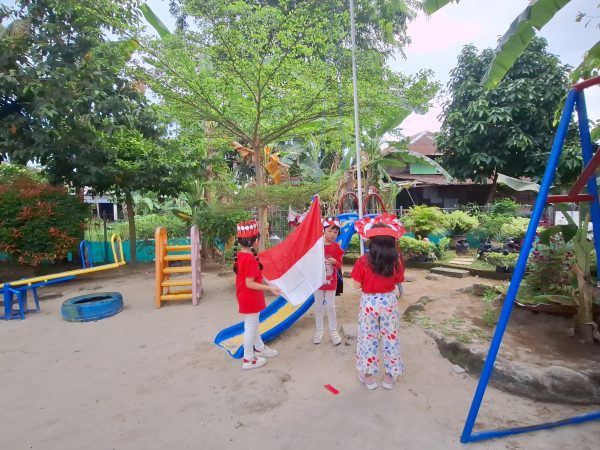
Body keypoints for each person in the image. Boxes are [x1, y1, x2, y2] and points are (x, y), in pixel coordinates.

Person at [351, 214, 406, 390]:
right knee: (391, 337)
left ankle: (368, 377)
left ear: (372, 242)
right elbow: (398, 280)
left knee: (368, 338)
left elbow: (356, 285)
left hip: (369, 302)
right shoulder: (396, 262)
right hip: (389, 301)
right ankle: (390, 376)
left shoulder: (363, 261)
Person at [233, 219, 282, 370]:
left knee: (252, 325)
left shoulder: (241, 255)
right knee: (250, 327)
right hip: (250, 296)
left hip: (247, 295)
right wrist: (270, 288)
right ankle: (248, 359)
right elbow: (250, 283)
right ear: (254, 241)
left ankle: (259, 348)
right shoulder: (249, 259)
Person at [313, 217, 345, 346]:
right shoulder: (316, 246)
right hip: (317, 283)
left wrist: (335, 262)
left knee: (331, 307)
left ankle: (333, 331)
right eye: (330, 231)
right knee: (318, 307)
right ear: (323, 230)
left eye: (335, 232)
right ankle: (319, 330)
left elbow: (339, 264)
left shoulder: (337, 247)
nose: (332, 234)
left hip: (331, 283)